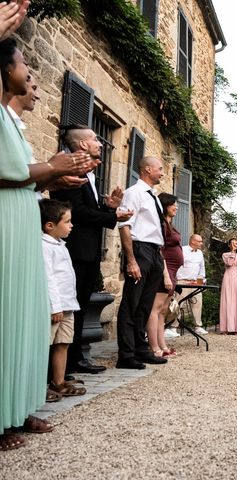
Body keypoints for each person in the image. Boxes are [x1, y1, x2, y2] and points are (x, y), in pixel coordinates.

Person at [0, 4, 96, 451]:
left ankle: (15, 410)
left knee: (22, 320)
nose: (30, 72)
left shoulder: (10, 122)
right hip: (8, 222)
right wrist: (51, 167)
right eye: (23, 63)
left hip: (20, 217)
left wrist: (52, 176)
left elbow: (16, 170)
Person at [51, 125, 133, 374]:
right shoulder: (70, 173)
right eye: (95, 139)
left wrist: (108, 206)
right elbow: (77, 212)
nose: (100, 143)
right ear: (83, 145)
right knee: (71, 307)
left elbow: (91, 209)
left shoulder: (90, 177)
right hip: (75, 250)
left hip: (88, 251)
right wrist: (113, 218)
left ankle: (75, 359)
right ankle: (63, 365)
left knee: (80, 306)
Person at [116, 156, 169, 369]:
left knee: (145, 306)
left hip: (155, 252)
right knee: (131, 303)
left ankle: (141, 349)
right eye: (160, 169)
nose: (163, 173)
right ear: (148, 169)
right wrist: (131, 260)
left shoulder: (153, 196)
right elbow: (124, 226)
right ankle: (126, 355)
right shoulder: (133, 193)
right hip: (140, 250)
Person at [39, 199, 86, 398]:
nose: (71, 225)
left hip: (68, 305)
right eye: (67, 222)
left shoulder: (61, 245)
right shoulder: (44, 246)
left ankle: (58, 382)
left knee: (63, 343)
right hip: (55, 307)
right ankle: (38, 387)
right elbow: (48, 277)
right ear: (50, 226)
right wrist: (55, 306)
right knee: (45, 345)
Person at [146, 193, 182, 358]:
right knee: (156, 309)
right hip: (164, 271)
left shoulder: (169, 224)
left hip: (173, 272)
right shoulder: (161, 224)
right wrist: (166, 275)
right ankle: (154, 347)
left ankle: (163, 345)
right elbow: (160, 251)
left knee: (163, 311)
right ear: (165, 205)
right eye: (173, 204)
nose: (176, 207)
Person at [169, 234, 207, 337]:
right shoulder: (182, 250)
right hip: (182, 281)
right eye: (199, 241)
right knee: (178, 304)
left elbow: (202, 267)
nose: (201, 243)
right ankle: (173, 327)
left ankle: (198, 326)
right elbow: (175, 264)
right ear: (193, 241)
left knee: (197, 303)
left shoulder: (200, 253)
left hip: (195, 282)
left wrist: (202, 279)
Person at [219, 238, 237, 334]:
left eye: (236, 243)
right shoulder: (225, 255)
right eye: (232, 243)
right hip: (228, 276)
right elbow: (229, 263)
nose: (234, 245)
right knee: (227, 299)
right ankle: (226, 327)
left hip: (236, 276)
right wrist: (232, 252)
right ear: (229, 245)